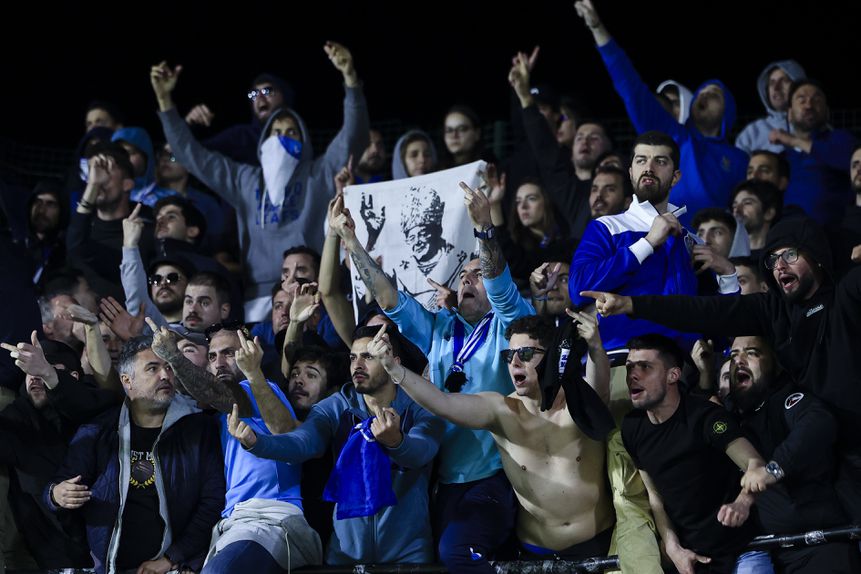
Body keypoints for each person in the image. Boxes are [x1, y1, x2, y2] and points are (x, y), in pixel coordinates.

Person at [581, 216, 861, 523]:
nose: (779, 266)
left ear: (816, 255)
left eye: (790, 254)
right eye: (772, 258)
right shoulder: (773, 310)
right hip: (831, 450)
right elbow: (702, 313)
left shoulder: (847, 294)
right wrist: (630, 305)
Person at [332, 180, 535, 573]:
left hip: (495, 476)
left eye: (478, 275)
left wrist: (484, 231)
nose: (467, 280)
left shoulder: (509, 325)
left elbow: (503, 290)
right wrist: (351, 241)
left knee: (456, 554)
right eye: (464, 276)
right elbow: (389, 299)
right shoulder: (440, 329)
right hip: (443, 480)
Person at [152, 42, 369, 321]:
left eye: (291, 132)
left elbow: (354, 136)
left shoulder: (319, 173)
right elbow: (192, 155)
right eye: (275, 132)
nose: (281, 138)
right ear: (263, 142)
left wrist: (350, 79)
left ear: (304, 144)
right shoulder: (245, 180)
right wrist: (165, 103)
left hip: (311, 292)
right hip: (257, 300)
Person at [373, 313, 617, 561]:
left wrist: (596, 346)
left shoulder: (579, 402)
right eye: (509, 356)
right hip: (536, 552)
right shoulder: (502, 411)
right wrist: (394, 368)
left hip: (596, 546)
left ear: (551, 355)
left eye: (524, 354)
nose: (514, 363)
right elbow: (442, 402)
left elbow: (601, 392)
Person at [229, 325, 444, 564]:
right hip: (345, 555)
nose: (357, 365)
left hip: (409, 553)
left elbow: (422, 451)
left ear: (393, 361)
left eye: (368, 357)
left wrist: (396, 441)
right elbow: (303, 443)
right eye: (353, 357)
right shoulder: (336, 406)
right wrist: (257, 443)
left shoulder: (421, 405)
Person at [149, 322, 322, 572]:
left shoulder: (260, 390)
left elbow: (214, 392)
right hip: (231, 525)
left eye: (229, 353)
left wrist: (174, 356)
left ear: (251, 352)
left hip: (271, 520)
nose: (219, 363)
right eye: (212, 356)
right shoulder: (218, 414)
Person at [46, 335, 225, 574]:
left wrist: (171, 558)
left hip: (174, 566)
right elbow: (56, 487)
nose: (165, 376)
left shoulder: (198, 430)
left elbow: (211, 503)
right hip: (104, 567)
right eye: (153, 368)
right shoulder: (98, 430)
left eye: (169, 368)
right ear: (127, 381)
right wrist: (56, 495)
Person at [575, 0, 747, 227]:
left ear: (728, 112)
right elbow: (631, 88)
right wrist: (598, 30)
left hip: (712, 247)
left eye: (714, 94)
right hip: (662, 242)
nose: (703, 96)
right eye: (700, 93)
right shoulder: (672, 135)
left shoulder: (739, 159)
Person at [621, 334, 772, 574]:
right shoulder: (631, 427)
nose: (633, 375)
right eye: (629, 367)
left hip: (741, 551)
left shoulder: (706, 418)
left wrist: (742, 503)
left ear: (673, 375)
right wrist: (672, 548)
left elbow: (755, 464)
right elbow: (655, 494)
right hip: (692, 559)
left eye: (645, 367)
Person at [728, 336, 861, 572]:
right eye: (733, 354)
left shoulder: (786, 399)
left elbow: (818, 423)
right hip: (766, 551)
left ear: (774, 363)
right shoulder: (734, 416)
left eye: (751, 353)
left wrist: (774, 469)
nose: (739, 360)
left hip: (820, 545)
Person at [0, 336, 118, 570]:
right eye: (29, 369)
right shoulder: (17, 417)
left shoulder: (98, 407)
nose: (35, 375)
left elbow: (89, 402)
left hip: (109, 551)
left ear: (73, 377)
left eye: (45, 366)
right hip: (45, 559)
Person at [67, 143, 154, 301]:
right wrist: (93, 186)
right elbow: (76, 246)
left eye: (105, 170)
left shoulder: (144, 230)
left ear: (127, 184)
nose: (97, 178)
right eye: (93, 171)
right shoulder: (81, 229)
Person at [772, 79, 857, 226]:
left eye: (816, 99)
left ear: (827, 112)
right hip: (790, 239)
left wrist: (795, 141)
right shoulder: (783, 157)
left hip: (834, 235)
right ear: (790, 114)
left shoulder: (841, 140)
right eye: (801, 99)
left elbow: (849, 163)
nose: (809, 105)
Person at [185, 73, 295, 166]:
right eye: (254, 93)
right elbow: (192, 153)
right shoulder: (240, 137)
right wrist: (189, 125)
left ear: (284, 96)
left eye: (267, 91)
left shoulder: (304, 138)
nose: (259, 97)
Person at [735, 60, 807, 154]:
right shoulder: (752, 133)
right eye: (772, 83)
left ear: (800, 86)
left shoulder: (815, 126)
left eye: (784, 81)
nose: (776, 88)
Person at [730, 179, 783, 258]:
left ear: (768, 213)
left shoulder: (778, 258)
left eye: (747, 203)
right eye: (734, 206)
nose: (737, 210)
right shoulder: (726, 256)